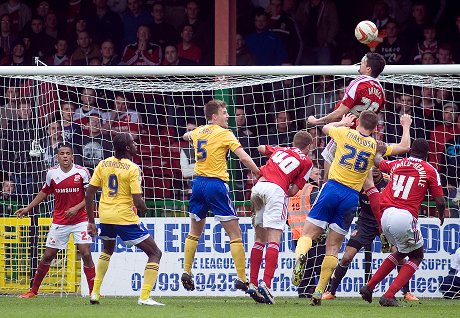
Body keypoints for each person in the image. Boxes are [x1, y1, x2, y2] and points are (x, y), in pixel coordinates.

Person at [291, 111, 410, 306]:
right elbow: (405, 146)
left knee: (307, 235)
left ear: (358, 122)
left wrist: (342, 122)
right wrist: (405, 125)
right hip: (351, 197)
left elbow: (324, 128)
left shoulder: (345, 133)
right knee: (333, 247)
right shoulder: (374, 146)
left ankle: (301, 255)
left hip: (332, 188)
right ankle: (319, 291)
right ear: (374, 128)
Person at [180, 99, 260, 293]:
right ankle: (242, 278)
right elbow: (242, 156)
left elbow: (185, 135)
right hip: (215, 185)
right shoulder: (225, 134)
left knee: (194, 232)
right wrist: (258, 172)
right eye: (224, 113)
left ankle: (186, 271)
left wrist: (193, 133)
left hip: (197, 185)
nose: (228, 116)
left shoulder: (198, 131)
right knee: (235, 235)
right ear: (214, 117)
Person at [360, 138, 446, 307]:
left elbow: (378, 162)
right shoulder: (430, 170)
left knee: (401, 252)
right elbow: (441, 201)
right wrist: (440, 214)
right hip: (404, 216)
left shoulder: (398, 163)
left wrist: (379, 150)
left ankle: (369, 286)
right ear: (427, 154)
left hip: (386, 216)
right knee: (417, 255)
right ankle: (389, 295)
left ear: (410, 151)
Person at [85, 133, 164, 306]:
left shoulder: (103, 163)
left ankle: (95, 293)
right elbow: (137, 201)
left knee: (107, 250)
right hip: (124, 217)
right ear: (127, 148)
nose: (136, 144)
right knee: (155, 253)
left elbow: (89, 193)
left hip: (105, 216)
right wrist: (145, 207)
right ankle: (144, 297)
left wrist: (91, 221)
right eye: (133, 143)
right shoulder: (132, 168)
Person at [307, 52, 386, 223]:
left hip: (345, 135)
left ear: (368, 68)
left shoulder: (358, 83)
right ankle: (382, 226)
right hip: (365, 140)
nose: (360, 62)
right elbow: (372, 120)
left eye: (363, 61)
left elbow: (341, 112)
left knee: (327, 178)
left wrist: (317, 121)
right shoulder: (381, 91)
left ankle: (321, 221)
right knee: (368, 185)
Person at [321, 167, 418, 301]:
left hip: (385, 221)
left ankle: (406, 292)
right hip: (365, 223)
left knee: (400, 255)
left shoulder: (389, 181)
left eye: (377, 167)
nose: (375, 170)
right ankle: (331, 291)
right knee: (347, 257)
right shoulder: (360, 180)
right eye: (371, 167)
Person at [16, 143, 95, 298]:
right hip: (60, 221)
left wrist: (76, 208)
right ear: (57, 157)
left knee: (86, 253)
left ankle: (94, 291)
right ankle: (33, 291)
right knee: (48, 255)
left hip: (80, 219)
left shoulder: (82, 172)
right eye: (62, 153)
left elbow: (89, 196)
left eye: (68, 153)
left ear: (72, 156)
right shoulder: (51, 173)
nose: (65, 156)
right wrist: (27, 208)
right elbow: (44, 192)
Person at [248, 130, 314, 304]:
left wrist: (271, 156)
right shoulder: (307, 162)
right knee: (274, 240)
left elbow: (261, 147)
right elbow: (293, 191)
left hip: (258, 187)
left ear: (294, 143)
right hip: (276, 191)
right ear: (308, 147)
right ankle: (266, 284)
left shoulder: (281, 149)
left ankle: (252, 283)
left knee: (259, 240)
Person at [287, 165, 325, 299]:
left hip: (297, 235)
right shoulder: (313, 191)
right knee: (319, 265)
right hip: (313, 234)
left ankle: (303, 292)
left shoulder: (290, 191)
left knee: (304, 266)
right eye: (316, 174)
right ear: (308, 175)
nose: (319, 177)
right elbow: (320, 213)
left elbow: (287, 216)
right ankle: (322, 292)